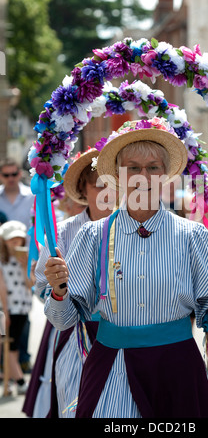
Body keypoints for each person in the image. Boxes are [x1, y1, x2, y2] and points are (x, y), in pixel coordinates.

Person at [43, 118, 208, 418]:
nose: (142, 176)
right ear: (118, 176)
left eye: (152, 167)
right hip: (112, 369)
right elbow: (65, 318)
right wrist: (59, 291)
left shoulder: (193, 236)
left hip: (177, 371)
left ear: (165, 175)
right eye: (132, 167)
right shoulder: (93, 236)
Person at [23, 148, 117, 418]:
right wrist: (57, 288)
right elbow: (42, 286)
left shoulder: (133, 229)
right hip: (78, 336)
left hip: (125, 338)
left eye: (112, 184)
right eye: (99, 185)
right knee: (78, 403)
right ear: (82, 190)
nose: (107, 193)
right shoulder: (63, 232)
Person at [0, 158, 35, 374]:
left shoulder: (31, 196)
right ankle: (7, 364)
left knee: (23, 315)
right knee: (5, 317)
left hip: (25, 259)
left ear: (20, 174)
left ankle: (22, 358)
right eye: (6, 175)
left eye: (14, 174)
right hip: (2, 260)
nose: (11, 179)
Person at [0, 220, 34, 394]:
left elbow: (31, 285)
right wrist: (4, 312)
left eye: (19, 240)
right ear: (4, 241)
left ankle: (12, 380)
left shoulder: (25, 260)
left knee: (13, 346)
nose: (16, 243)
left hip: (22, 308)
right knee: (8, 345)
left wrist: (25, 267)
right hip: (6, 310)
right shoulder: (1, 261)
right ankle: (20, 381)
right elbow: (2, 288)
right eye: (12, 240)